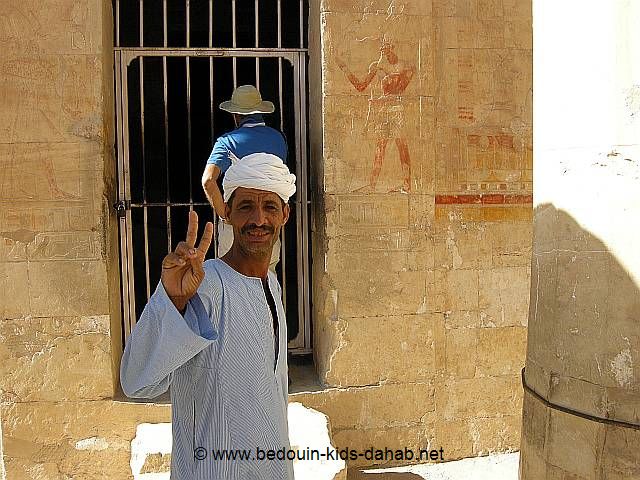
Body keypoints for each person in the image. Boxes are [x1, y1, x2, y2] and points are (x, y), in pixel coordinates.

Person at [120, 152, 296, 480]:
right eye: (245, 206)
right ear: (227, 212)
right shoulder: (207, 284)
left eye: (269, 206)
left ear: (284, 214)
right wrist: (173, 300)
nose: (259, 219)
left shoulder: (272, 285)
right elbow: (137, 382)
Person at [202, 85, 288, 270]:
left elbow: (208, 180)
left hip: (240, 222)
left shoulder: (227, 142)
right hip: (269, 222)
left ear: (236, 115)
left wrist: (224, 214)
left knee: (232, 279)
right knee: (267, 277)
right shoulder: (279, 139)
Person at [336, 38, 415, 193]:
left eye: (388, 48)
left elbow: (402, 90)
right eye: (383, 50)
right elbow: (361, 86)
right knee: (380, 149)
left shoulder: (405, 66)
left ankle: (407, 185)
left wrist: (387, 91)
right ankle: (372, 185)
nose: (386, 53)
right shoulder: (377, 66)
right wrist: (344, 68)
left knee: (402, 148)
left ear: (394, 47)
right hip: (384, 112)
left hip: (397, 110)